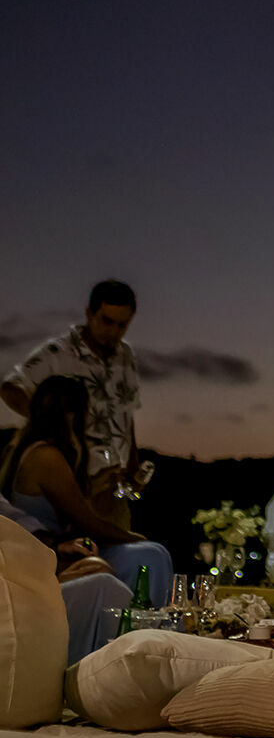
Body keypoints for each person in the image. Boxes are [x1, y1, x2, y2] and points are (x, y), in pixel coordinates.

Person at [0, 375, 171, 607]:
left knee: (147, 553)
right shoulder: (46, 456)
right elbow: (85, 521)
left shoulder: (32, 449)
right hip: (49, 555)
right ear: (74, 413)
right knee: (151, 554)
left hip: (58, 550)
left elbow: (72, 505)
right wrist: (133, 536)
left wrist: (99, 483)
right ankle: (144, 630)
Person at [1, 280, 145, 525]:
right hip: (73, 485)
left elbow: (127, 415)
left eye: (122, 325)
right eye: (106, 321)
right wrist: (48, 425)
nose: (113, 332)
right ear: (89, 314)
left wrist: (132, 466)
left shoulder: (126, 357)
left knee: (126, 554)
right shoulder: (59, 354)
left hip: (112, 487)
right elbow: (11, 388)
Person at [0, 492, 131, 664]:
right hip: (11, 589)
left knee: (99, 570)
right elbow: (85, 518)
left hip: (21, 573)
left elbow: (17, 525)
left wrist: (56, 549)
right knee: (104, 586)